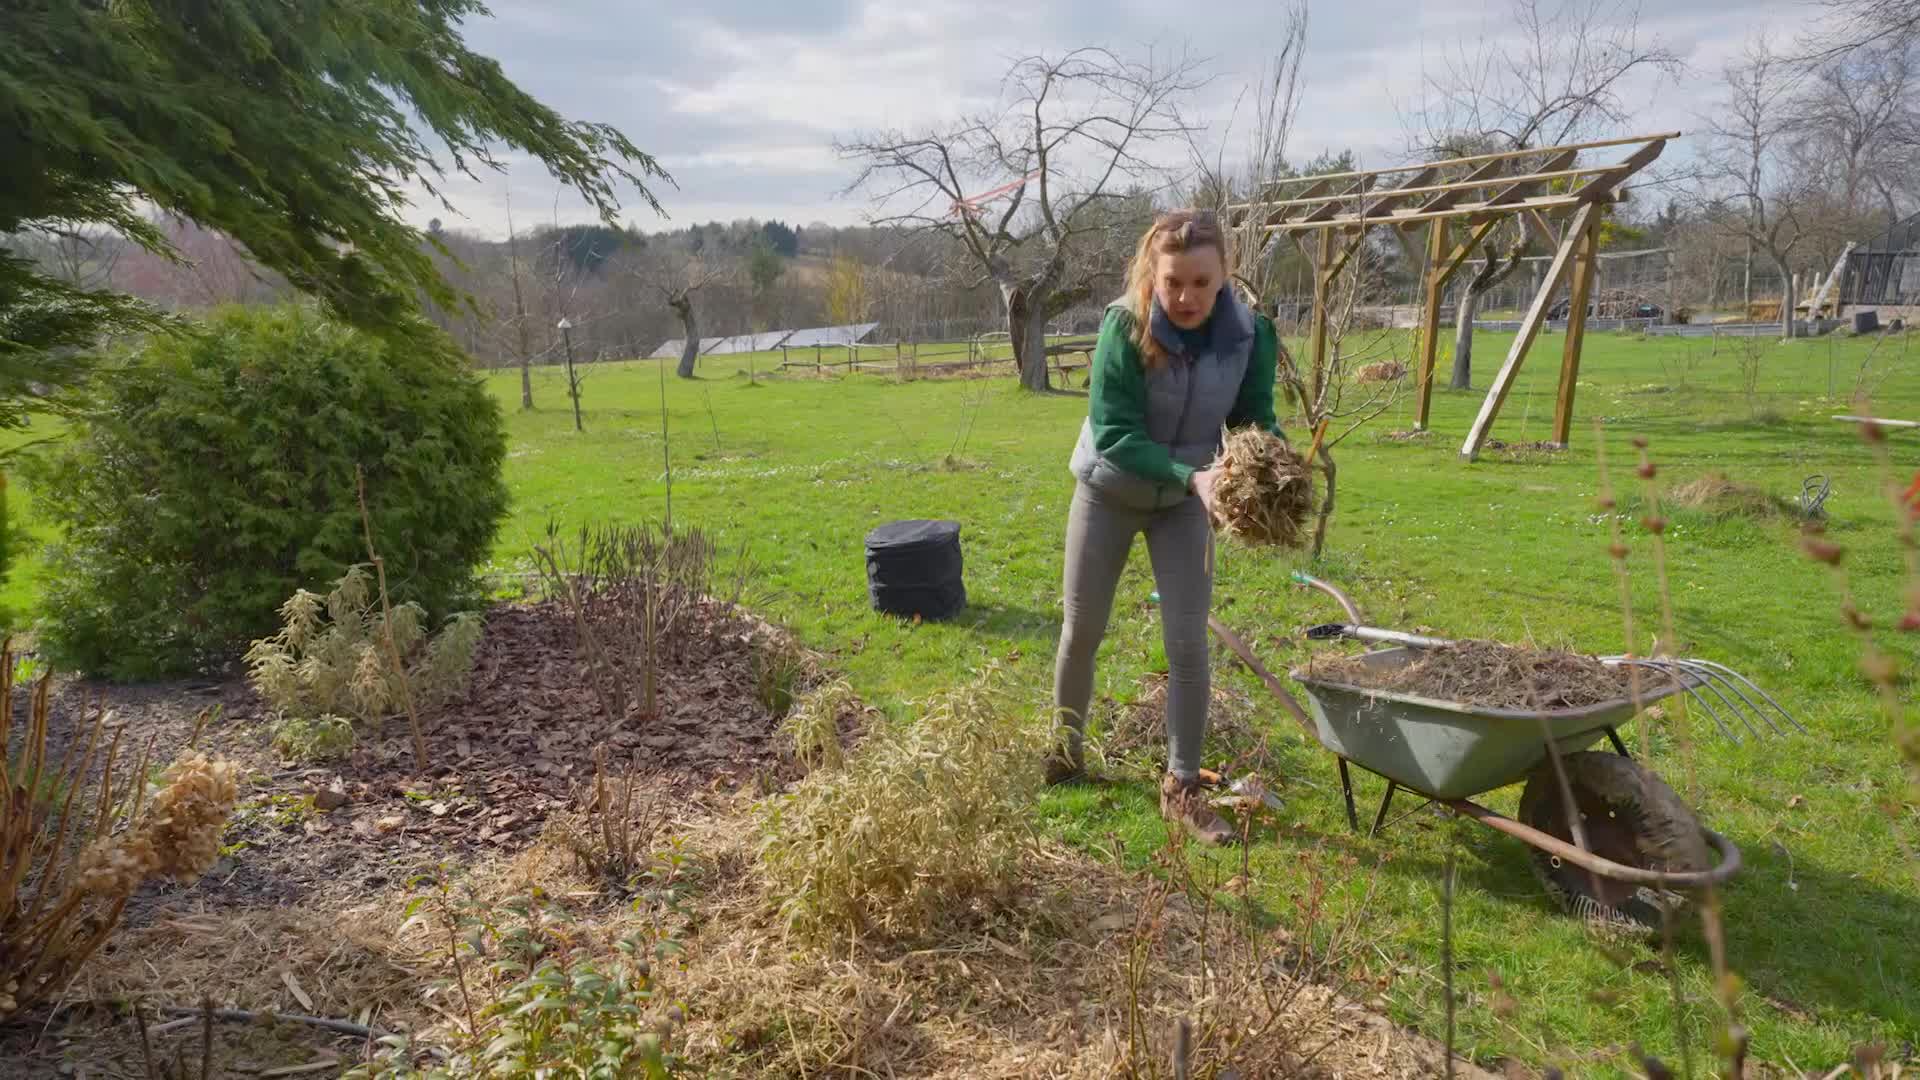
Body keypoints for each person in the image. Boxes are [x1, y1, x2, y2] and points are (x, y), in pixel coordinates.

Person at [1045, 208, 1286, 845]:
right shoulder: (1123, 327)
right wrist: (1194, 477)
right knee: (1083, 627)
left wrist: (1272, 463)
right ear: (1153, 274)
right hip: (1111, 489)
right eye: (1173, 282)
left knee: (1187, 642)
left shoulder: (1251, 335)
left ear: (1224, 275)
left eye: (1201, 283)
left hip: (1187, 502)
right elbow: (1117, 434)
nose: (1185, 297)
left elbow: (1254, 414)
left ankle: (1181, 785)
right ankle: (1066, 750)